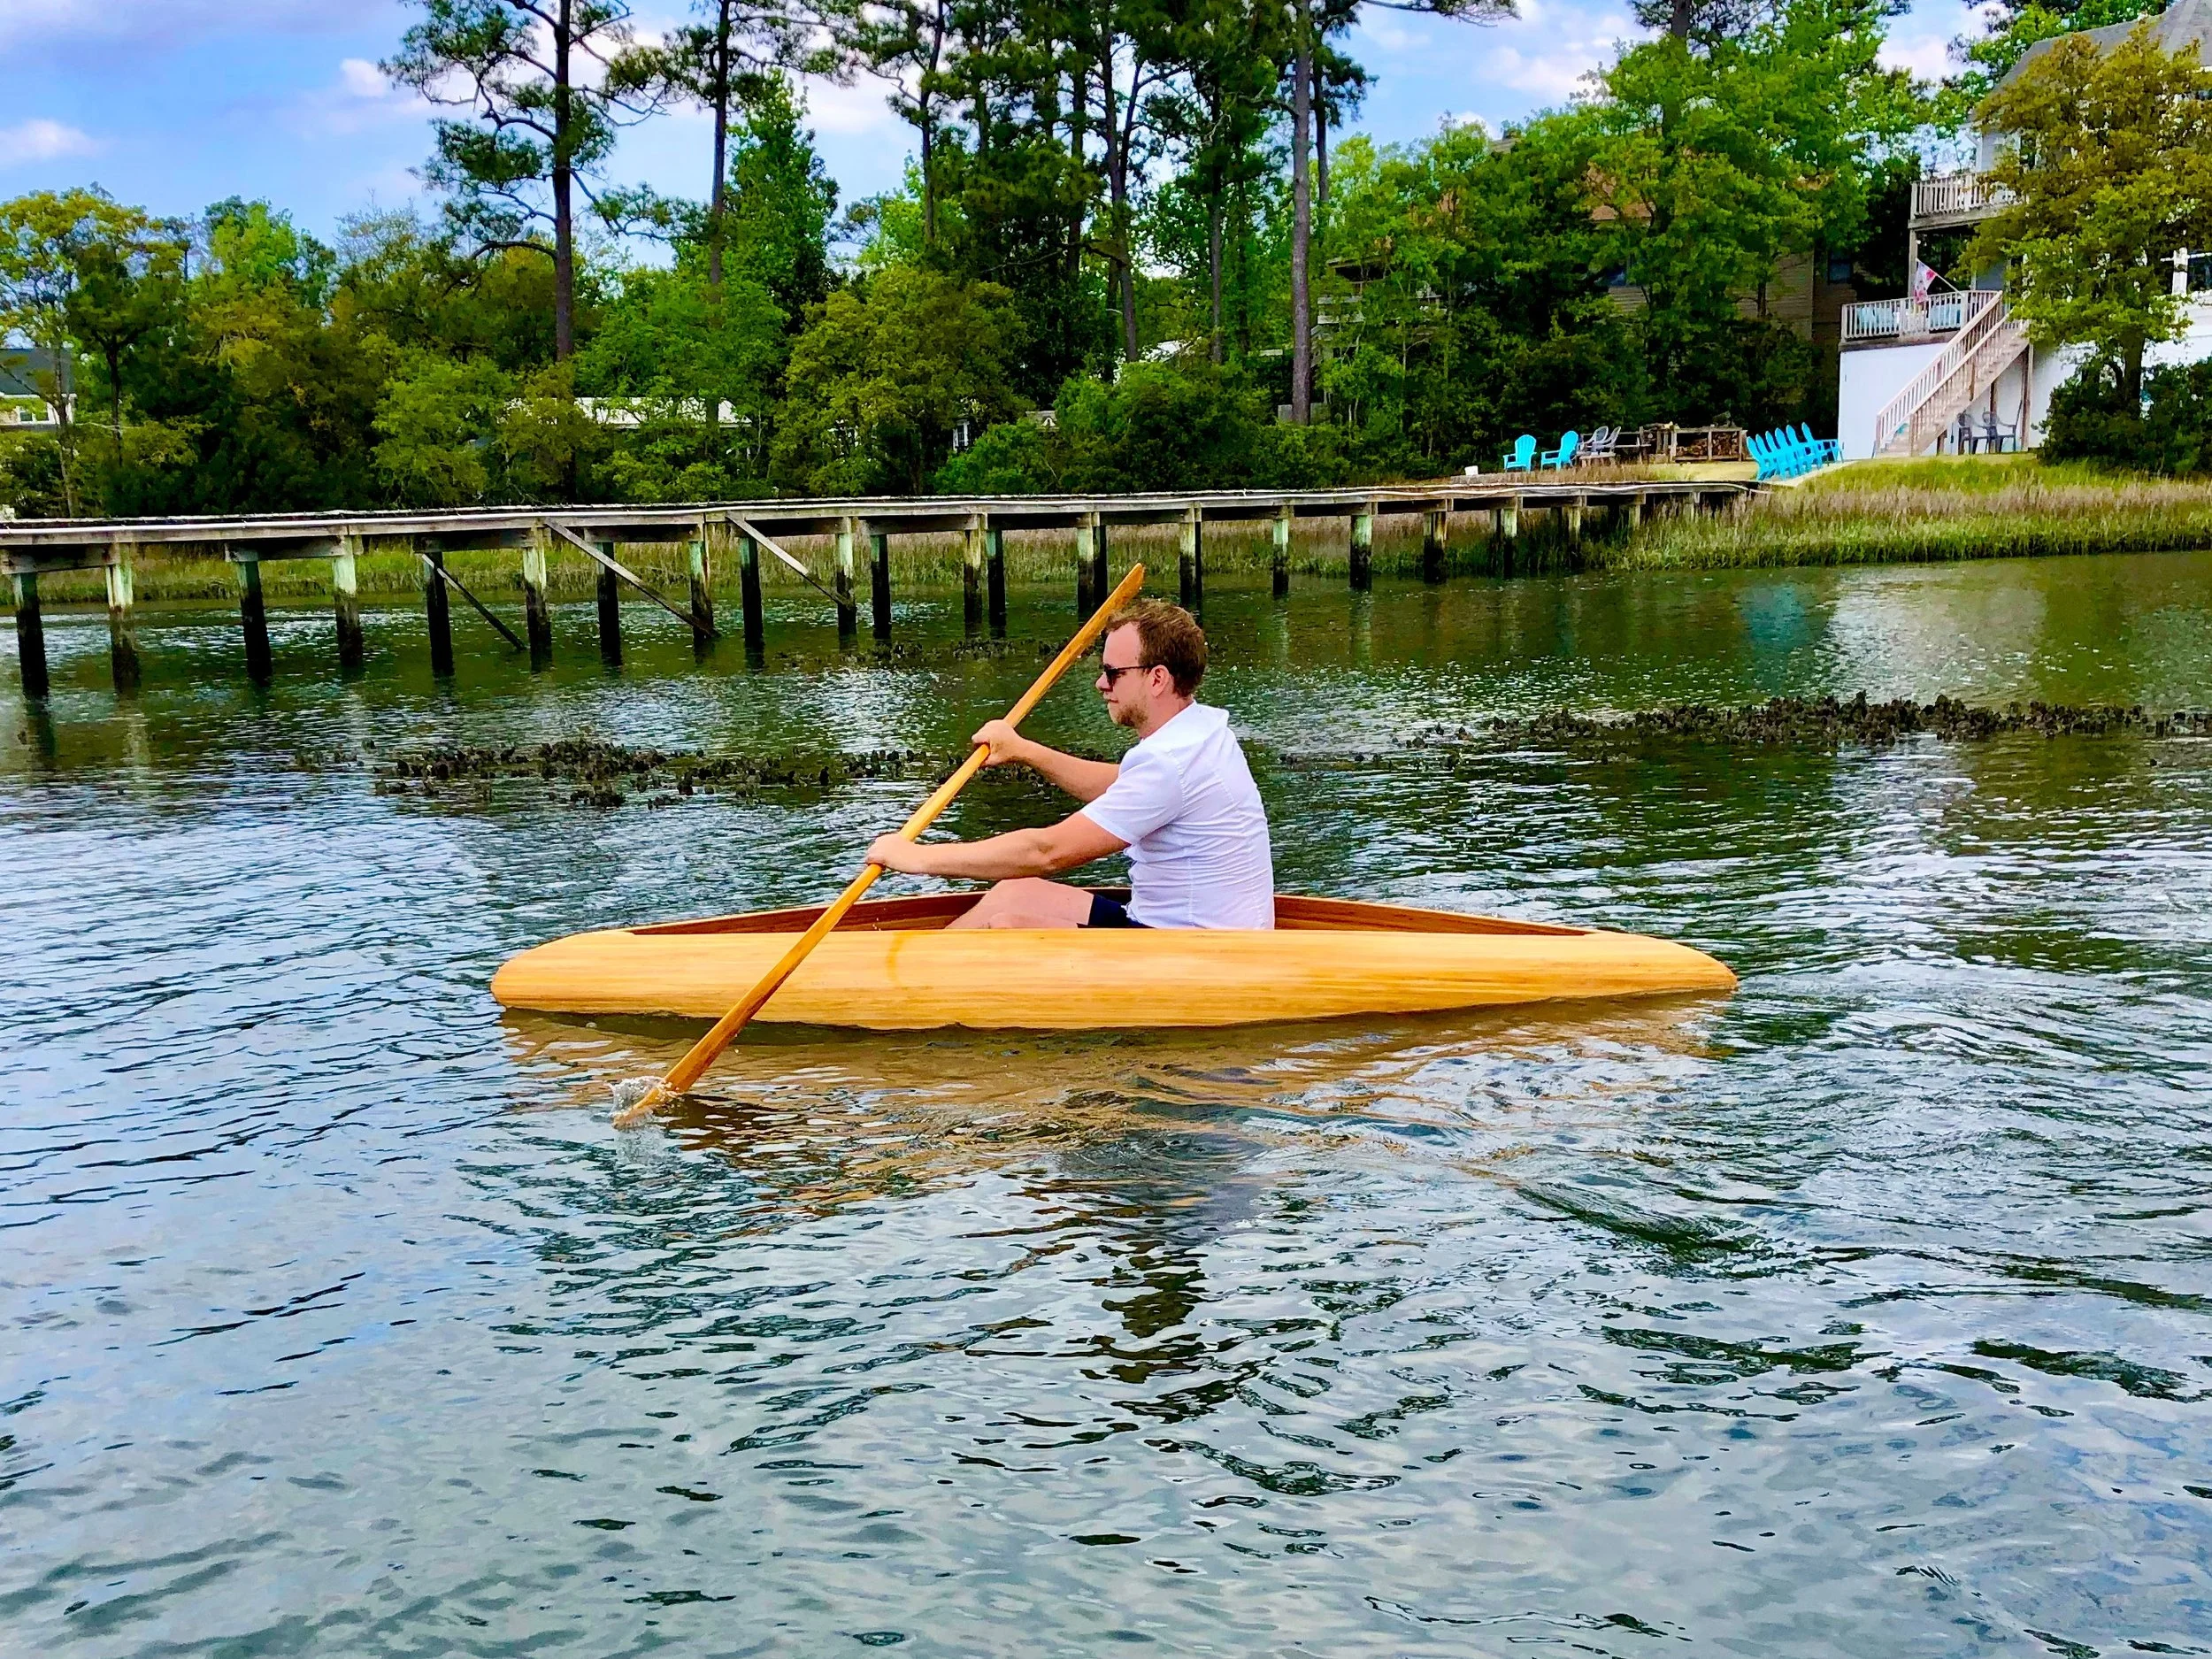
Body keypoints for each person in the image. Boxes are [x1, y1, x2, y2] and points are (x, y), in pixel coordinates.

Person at [864, 599, 1275, 929]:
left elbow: (1048, 852)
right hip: (1175, 928)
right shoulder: (1201, 729)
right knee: (1014, 892)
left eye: (1113, 673)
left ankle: (914, 993)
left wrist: (917, 858)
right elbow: (1121, 785)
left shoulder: (1171, 761)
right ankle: (922, 975)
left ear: (1157, 679)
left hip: (1199, 952)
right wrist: (1025, 751)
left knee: (1010, 927)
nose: (1101, 684)